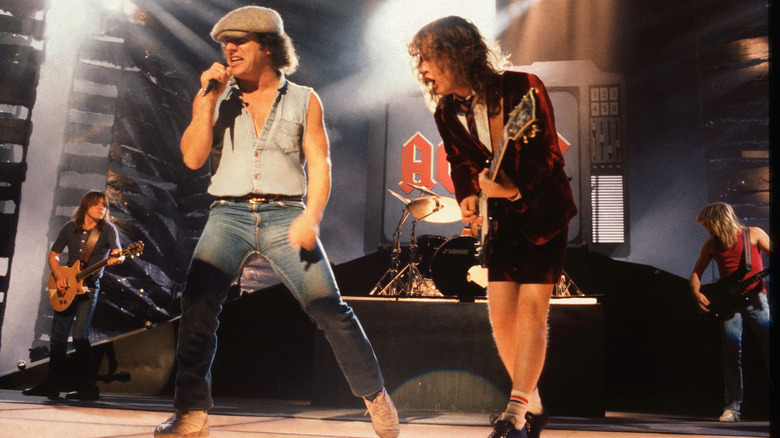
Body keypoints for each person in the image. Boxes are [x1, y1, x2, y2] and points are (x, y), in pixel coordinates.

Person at [154, 6, 400, 438]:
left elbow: (320, 164)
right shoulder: (216, 96)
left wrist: (313, 216)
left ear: (268, 46)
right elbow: (193, 158)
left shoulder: (305, 99)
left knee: (330, 310)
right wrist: (208, 99)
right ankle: (191, 412)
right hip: (227, 213)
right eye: (224, 43)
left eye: (238, 42)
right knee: (197, 307)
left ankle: (376, 396)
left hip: (286, 213)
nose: (228, 49)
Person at [409, 16, 577, 438]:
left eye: (429, 58)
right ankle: (533, 402)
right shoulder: (447, 110)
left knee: (533, 312)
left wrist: (514, 190)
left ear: (458, 53)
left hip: (542, 213)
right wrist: (469, 193)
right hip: (498, 221)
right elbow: (459, 159)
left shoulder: (523, 88)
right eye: (420, 61)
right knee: (500, 313)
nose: (423, 69)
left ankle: (515, 413)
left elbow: (549, 153)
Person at [22, 190, 124, 401]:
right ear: (86, 206)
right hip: (66, 287)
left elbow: (118, 253)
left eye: (104, 205)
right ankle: (51, 385)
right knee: (57, 339)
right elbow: (54, 255)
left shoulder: (107, 230)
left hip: (89, 289)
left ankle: (88, 389)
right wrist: (59, 275)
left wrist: (118, 258)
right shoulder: (70, 228)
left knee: (80, 337)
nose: (101, 208)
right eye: (97, 204)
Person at [689, 202, 770, 422]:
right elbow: (696, 273)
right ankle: (732, 408)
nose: (707, 229)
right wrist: (697, 294)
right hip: (728, 304)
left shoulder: (753, 234)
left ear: (719, 220)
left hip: (756, 299)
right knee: (731, 354)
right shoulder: (711, 245)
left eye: (708, 224)